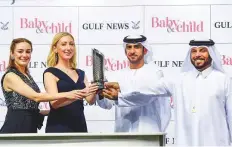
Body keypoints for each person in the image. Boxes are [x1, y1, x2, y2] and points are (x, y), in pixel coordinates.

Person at [104, 39, 232, 146]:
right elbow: (148, 90)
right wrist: (121, 89)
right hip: (186, 142)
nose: (197, 54)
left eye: (202, 50)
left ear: (211, 53)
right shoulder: (179, 80)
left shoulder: (224, 80)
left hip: (216, 142)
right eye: (193, 51)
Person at [0, 38, 83, 133]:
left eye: (28, 52)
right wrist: (68, 94)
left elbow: (28, 107)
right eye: (20, 51)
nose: (24, 55)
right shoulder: (10, 76)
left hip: (30, 126)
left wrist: (53, 111)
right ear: (12, 54)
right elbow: (36, 97)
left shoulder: (27, 75)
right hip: (15, 126)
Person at [97, 35, 171, 132]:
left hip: (148, 132)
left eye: (137, 47)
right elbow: (106, 105)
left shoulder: (154, 72)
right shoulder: (118, 75)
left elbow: (144, 97)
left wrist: (118, 95)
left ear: (145, 50)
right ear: (125, 51)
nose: (132, 51)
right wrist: (100, 91)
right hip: (123, 132)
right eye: (129, 47)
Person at [43, 32, 98, 133]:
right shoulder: (50, 73)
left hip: (80, 125)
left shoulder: (80, 73)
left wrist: (96, 87)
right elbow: (54, 103)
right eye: (64, 44)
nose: (68, 48)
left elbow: (90, 100)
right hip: (59, 127)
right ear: (55, 48)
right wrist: (79, 94)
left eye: (71, 44)